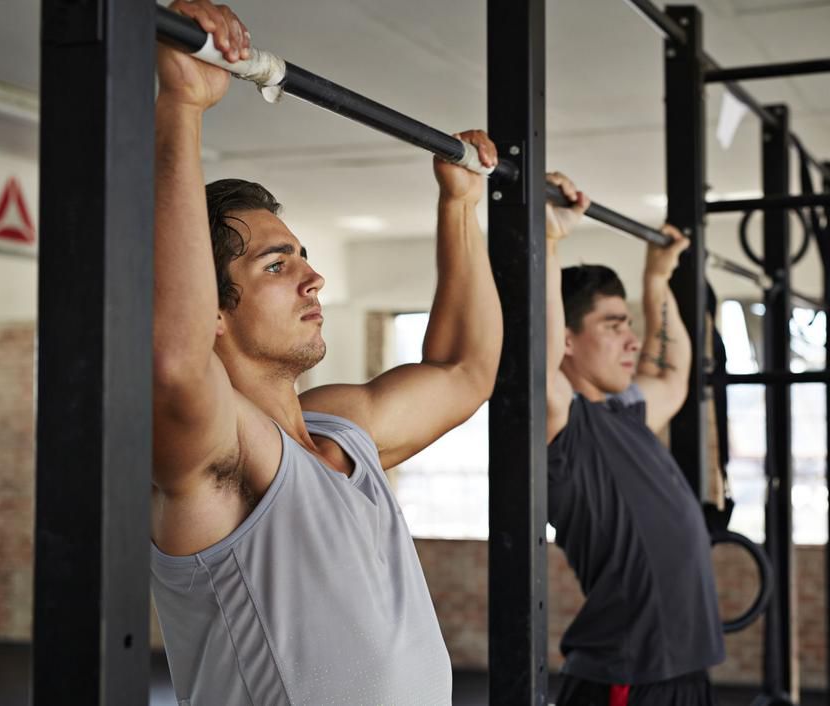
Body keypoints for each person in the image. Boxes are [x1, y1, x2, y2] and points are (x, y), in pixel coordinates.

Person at [150, 2, 502, 703]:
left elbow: (466, 370)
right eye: (277, 266)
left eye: (304, 256)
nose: (313, 277)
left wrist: (460, 206)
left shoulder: (344, 431)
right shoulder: (223, 458)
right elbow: (175, 362)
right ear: (215, 311)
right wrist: (182, 109)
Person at [544, 173, 725, 705]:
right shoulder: (564, 428)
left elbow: (672, 373)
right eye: (614, 325)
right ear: (569, 341)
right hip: (628, 675)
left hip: (685, 668)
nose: (633, 339)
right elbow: (537, 354)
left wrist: (657, 278)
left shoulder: (625, 414)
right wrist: (549, 241)